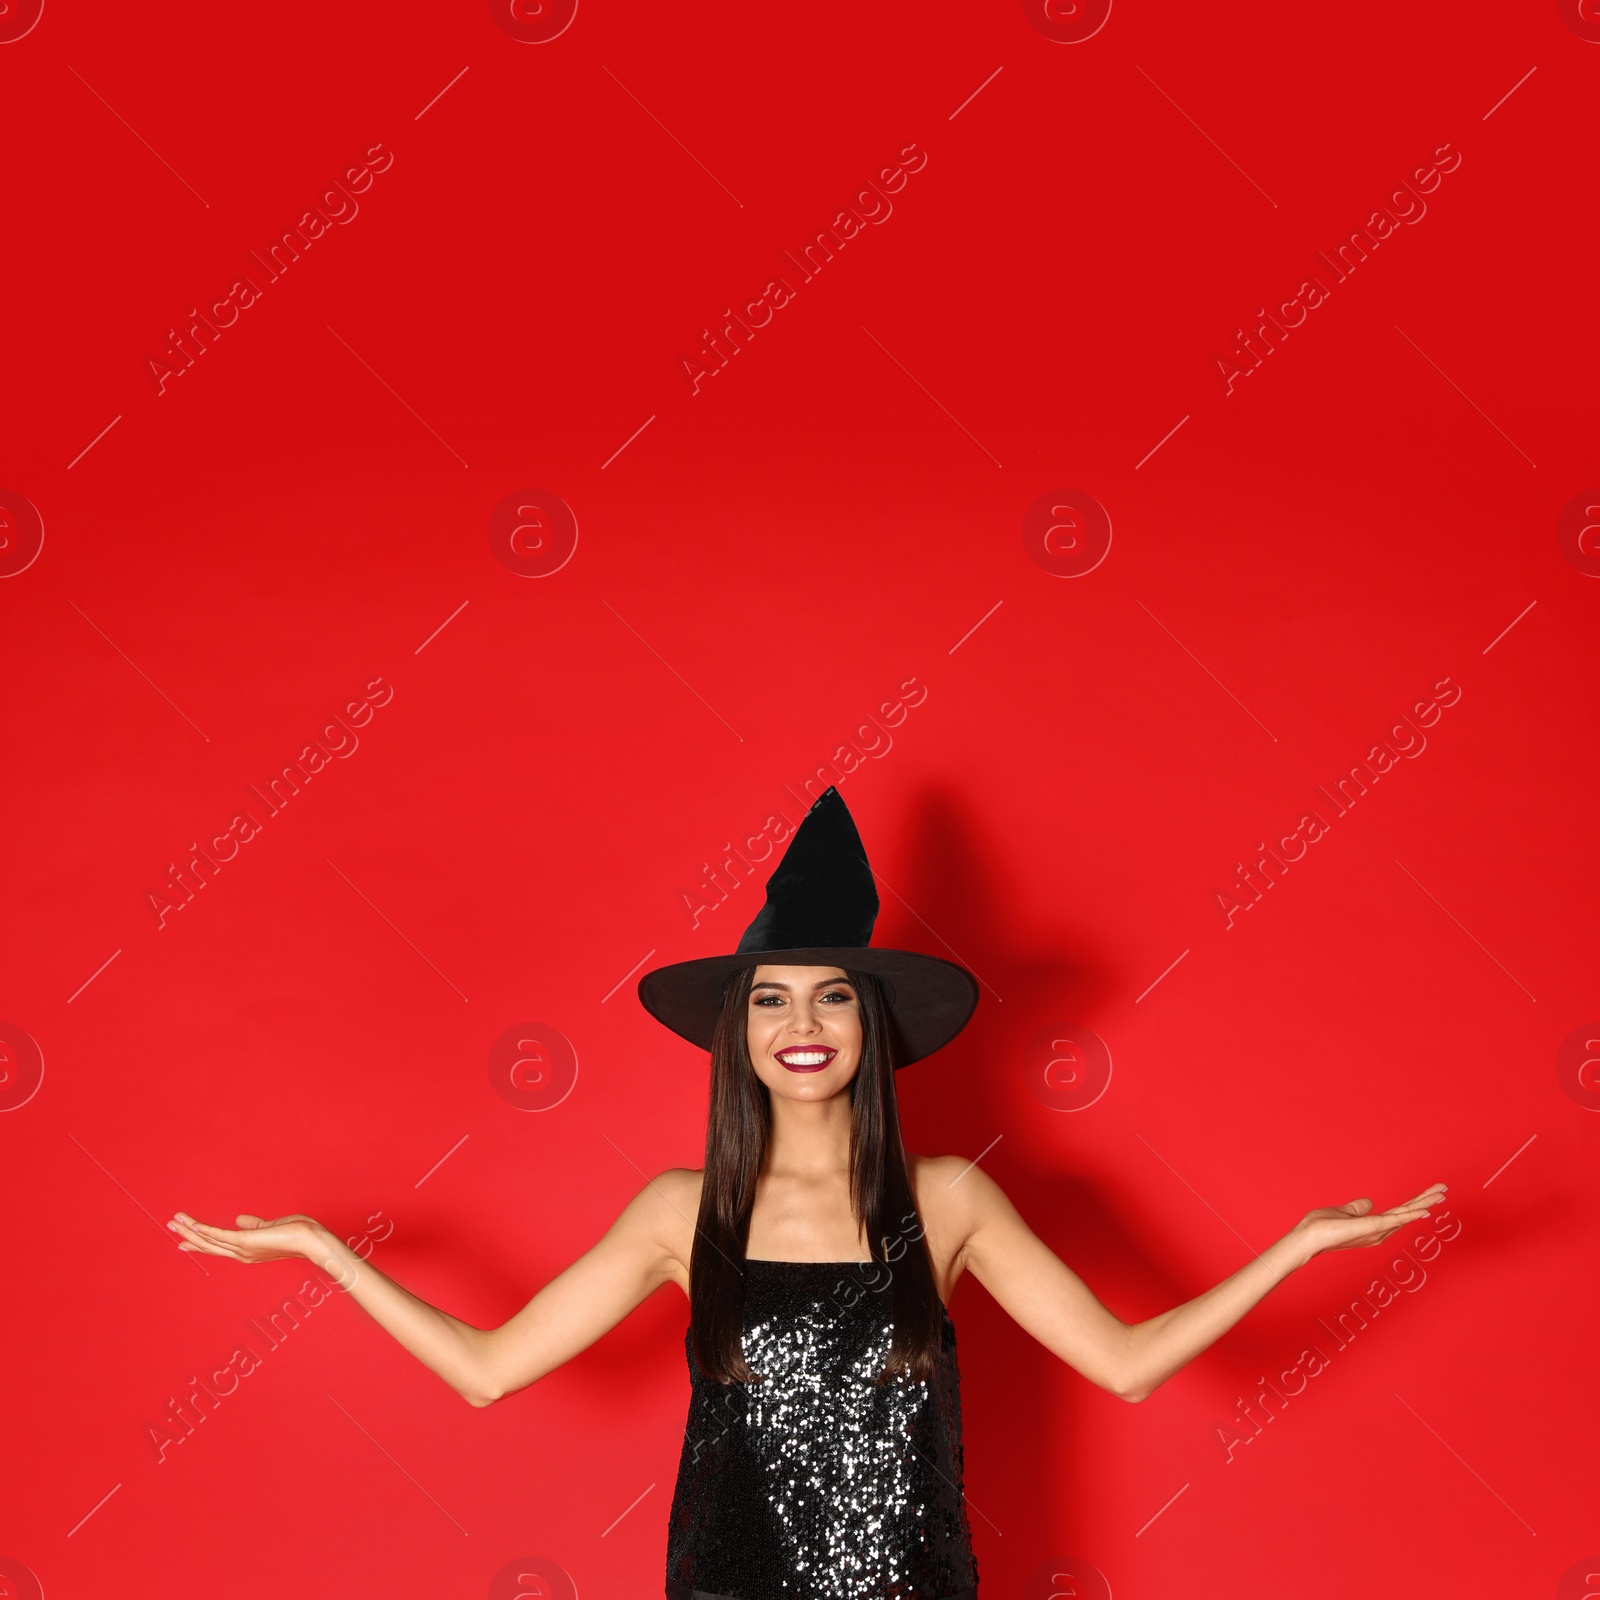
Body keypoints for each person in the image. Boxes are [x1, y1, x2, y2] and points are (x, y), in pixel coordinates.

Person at [168, 787, 1446, 1600]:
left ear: (871, 1026)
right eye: (770, 999)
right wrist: (327, 1256)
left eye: (832, 993)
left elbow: (1123, 1363)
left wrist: (1289, 1247)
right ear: (737, 1037)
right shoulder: (681, 1214)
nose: (801, 1022)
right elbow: (487, 1370)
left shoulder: (948, 1199)